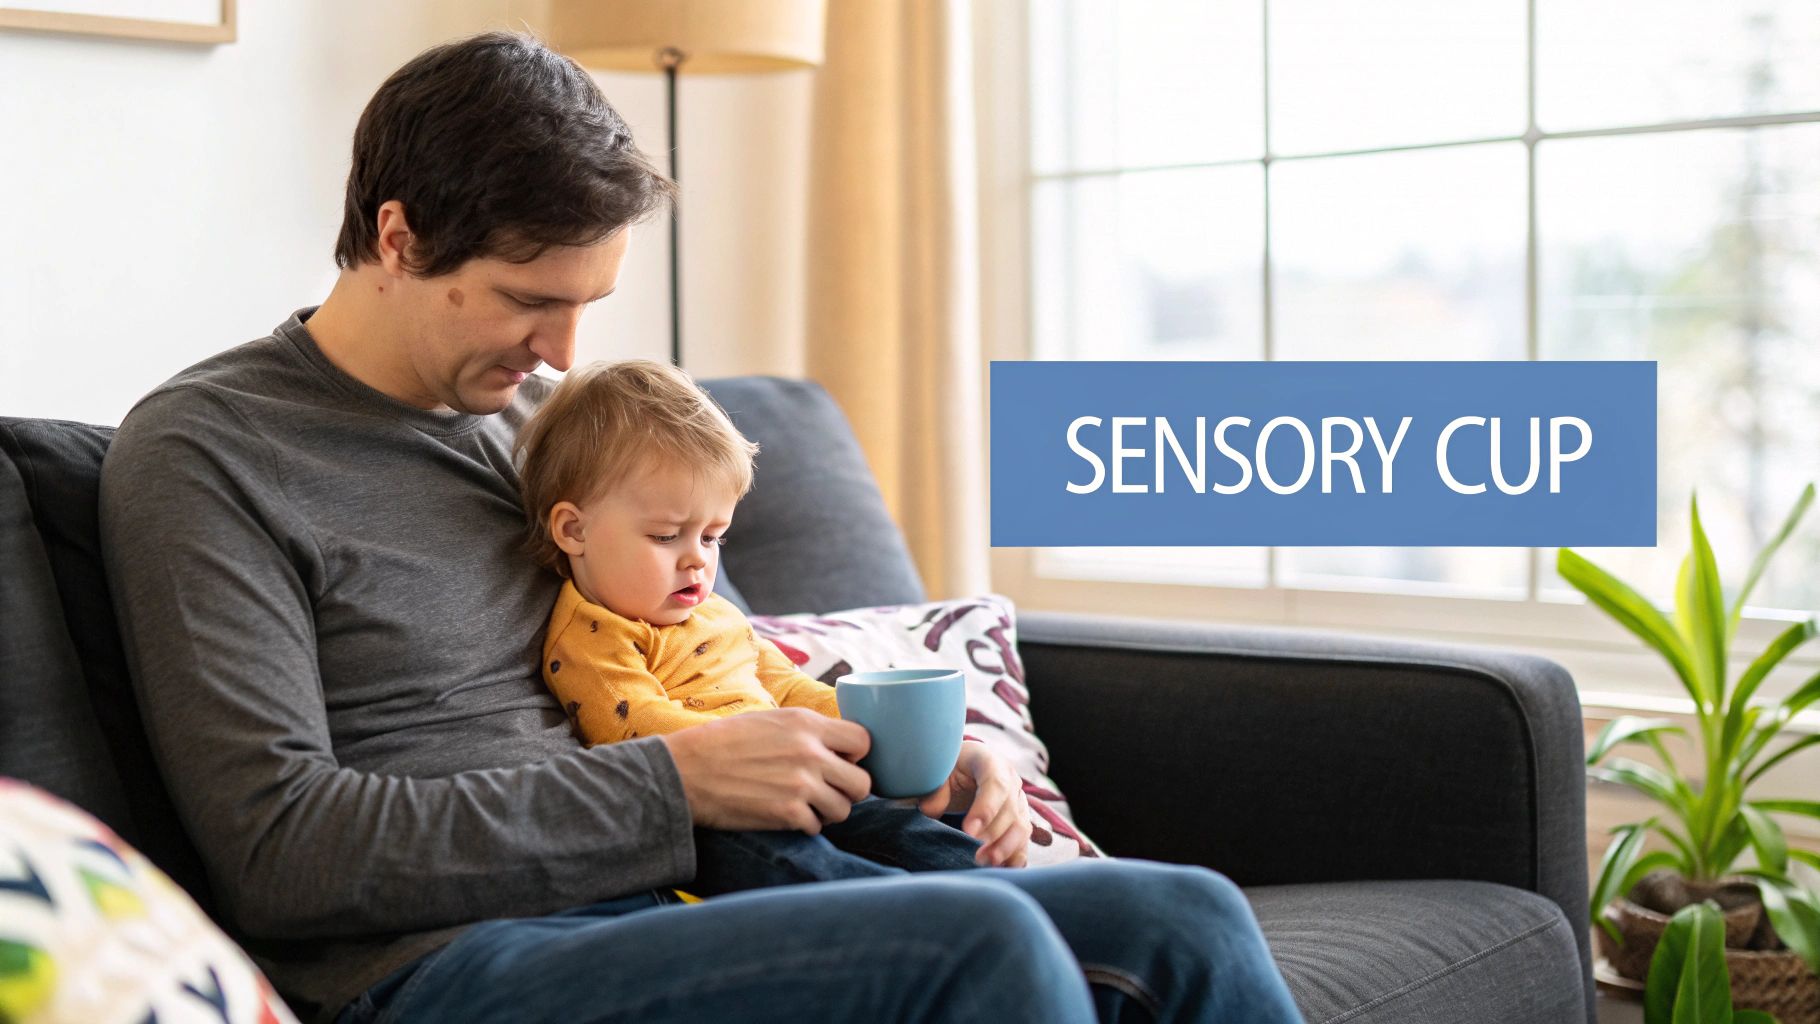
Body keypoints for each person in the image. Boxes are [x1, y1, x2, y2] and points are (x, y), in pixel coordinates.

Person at [97, 29, 1307, 1024]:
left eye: (589, 303)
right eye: (528, 300)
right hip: (452, 962)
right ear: (399, 238)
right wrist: (668, 785)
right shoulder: (212, 452)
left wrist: (916, 765)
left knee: (1181, 913)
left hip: (689, 895)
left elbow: (720, 664)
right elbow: (282, 849)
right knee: (979, 942)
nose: (560, 353)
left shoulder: (550, 430)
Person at [517, 358, 1016, 889]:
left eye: (712, 537)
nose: (697, 559)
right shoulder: (590, 633)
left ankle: (1006, 890)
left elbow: (791, 689)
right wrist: (761, 749)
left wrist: (868, 736)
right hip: (713, 812)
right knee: (809, 867)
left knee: (913, 831)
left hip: (797, 781)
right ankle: (917, 910)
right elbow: (632, 728)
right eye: (665, 536)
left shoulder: (716, 614)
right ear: (574, 531)